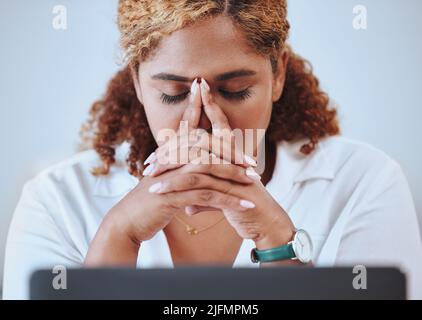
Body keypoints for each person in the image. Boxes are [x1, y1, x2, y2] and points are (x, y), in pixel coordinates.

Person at [3, 0, 422, 299]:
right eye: (171, 93)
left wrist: (275, 237)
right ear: (136, 82)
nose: (201, 119)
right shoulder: (56, 199)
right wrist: (120, 233)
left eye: (235, 91)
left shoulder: (364, 182)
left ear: (277, 75)